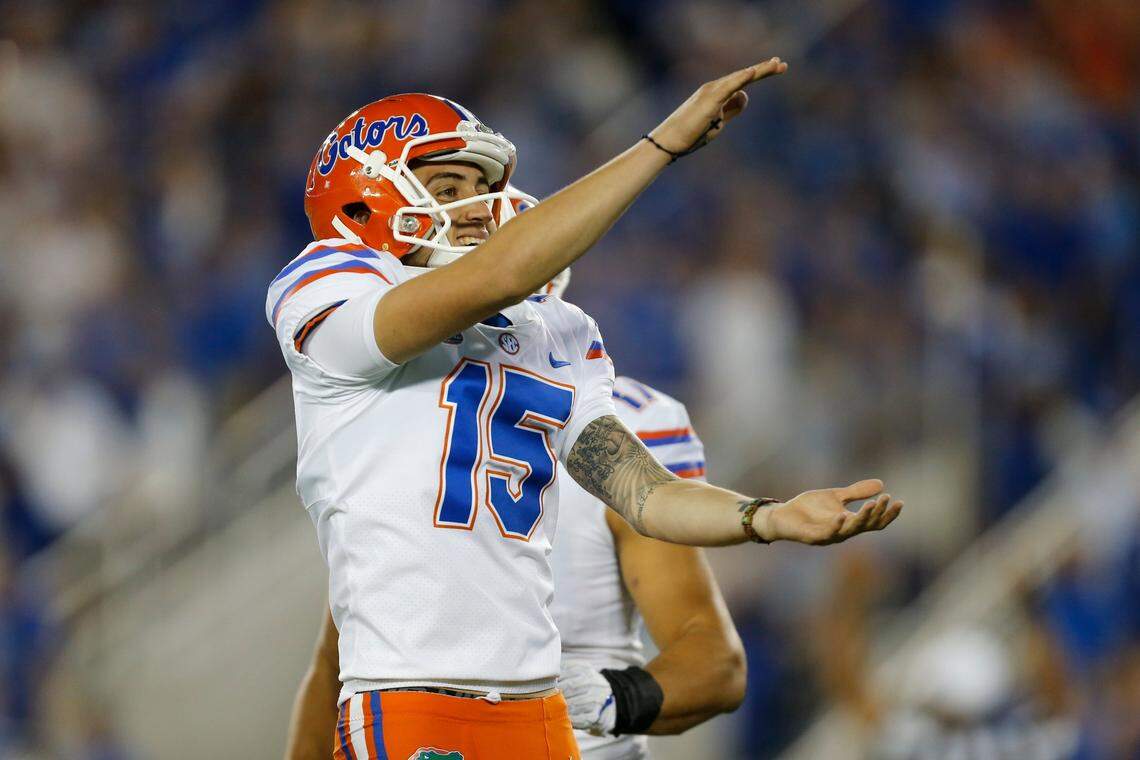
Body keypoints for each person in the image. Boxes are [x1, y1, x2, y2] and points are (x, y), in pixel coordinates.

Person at [267, 59, 902, 760]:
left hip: (539, 706)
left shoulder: (549, 332)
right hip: (414, 696)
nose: (477, 208)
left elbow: (647, 496)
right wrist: (660, 145)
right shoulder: (324, 290)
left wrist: (767, 518)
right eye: (448, 188)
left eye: (482, 188)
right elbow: (501, 271)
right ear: (362, 206)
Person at [286, 273, 747, 759]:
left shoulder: (622, 423)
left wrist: (610, 698)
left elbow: (716, 665)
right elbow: (336, 661)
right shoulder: (403, 403)